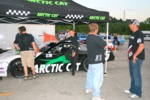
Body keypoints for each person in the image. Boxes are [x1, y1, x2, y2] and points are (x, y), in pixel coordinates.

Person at [85, 23, 110, 100]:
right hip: (97, 61)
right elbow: (105, 46)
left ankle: (88, 88)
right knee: (97, 78)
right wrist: (108, 45)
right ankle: (96, 96)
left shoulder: (88, 37)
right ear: (96, 30)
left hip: (91, 60)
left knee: (90, 75)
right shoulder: (97, 38)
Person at [124, 19, 145, 99]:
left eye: (130, 24)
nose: (129, 25)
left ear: (135, 25)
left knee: (136, 75)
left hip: (137, 58)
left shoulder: (139, 34)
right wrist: (128, 55)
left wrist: (135, 55)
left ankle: (138, 92)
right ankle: (132, 89)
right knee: (132, 75)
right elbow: (131, 46)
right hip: (131, 57)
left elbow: (141, 46)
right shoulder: (133, 33)